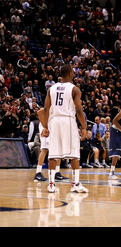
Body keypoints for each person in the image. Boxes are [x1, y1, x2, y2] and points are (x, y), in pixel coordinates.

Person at [41, 64, 88, 193]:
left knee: (53, 154)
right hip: (68, 120)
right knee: (74, 154)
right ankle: (75, 184)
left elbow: (46, 109)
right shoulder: (75, 89)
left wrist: (45, 126)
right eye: (73, 72)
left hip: (54, 120)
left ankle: (51, 184)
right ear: (69, 73)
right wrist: (84, 126)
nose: (74, 74)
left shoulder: (51, 88)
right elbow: (79, 109)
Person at [33, 108, 68, 182]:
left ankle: (56, 172)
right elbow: (39, 112)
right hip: (46, 125)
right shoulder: (51, 103)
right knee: (45, 149)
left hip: (53, 126)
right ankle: (38, 173)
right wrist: (45, 127)